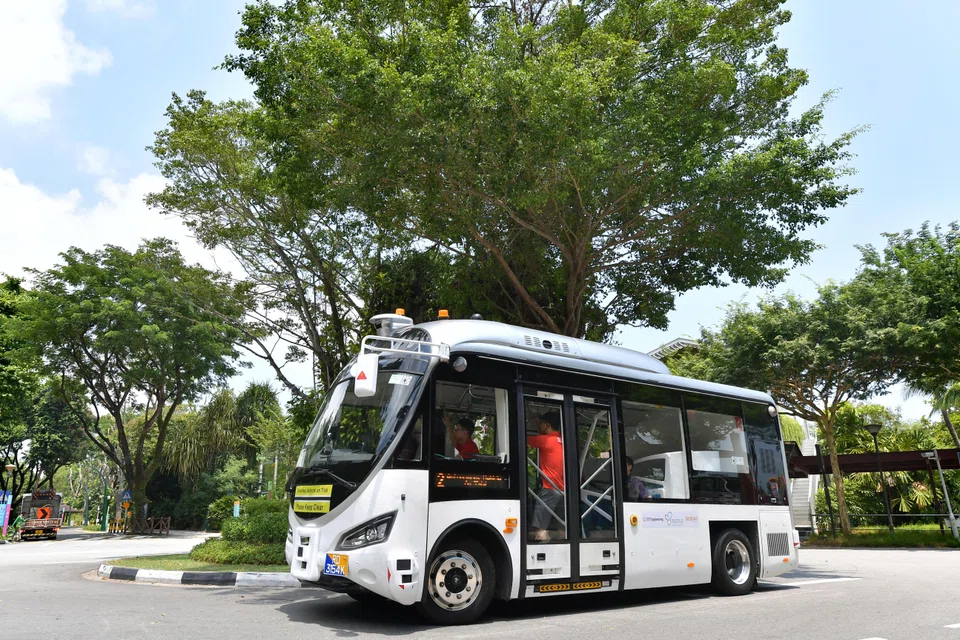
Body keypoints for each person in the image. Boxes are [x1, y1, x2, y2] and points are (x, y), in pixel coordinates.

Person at [527, 411, 565, 541]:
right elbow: (543, 434)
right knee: (562, 532)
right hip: (561, 490)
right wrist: (537, 424)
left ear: (547, 424)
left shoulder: (545, 440)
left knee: (539, 532)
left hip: (548, 489)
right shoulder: (561, 440)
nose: (539, 425)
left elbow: (521, 438)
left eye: (541, 423)